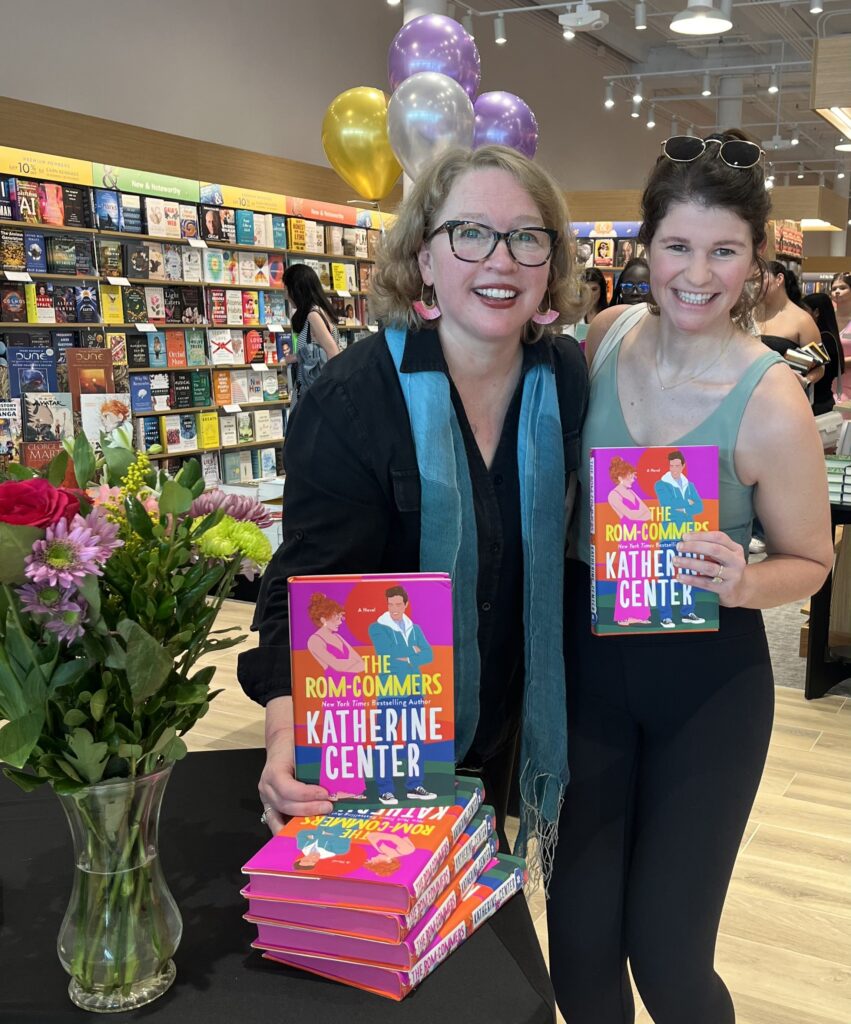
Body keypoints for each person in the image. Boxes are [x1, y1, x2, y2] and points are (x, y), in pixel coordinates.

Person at [237, 145, 589, 881]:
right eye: (469, 233)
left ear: (550, 264)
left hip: (507, 726)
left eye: (526, 237)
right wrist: (282, 734)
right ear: (423, 258)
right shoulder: (352, 401)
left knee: (479, 950)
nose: (499, 261)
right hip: (380, 739)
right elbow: (300, 585)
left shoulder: (563, 381)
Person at [548, 130, 834, 1024]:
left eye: (722, 250)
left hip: (707, 687)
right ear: (646, 247)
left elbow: (812, 563)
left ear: (754, 261)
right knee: (581, 959)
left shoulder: (772, 400)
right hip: (587, 670)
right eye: (677, 246)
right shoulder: (601, 339)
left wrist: (744, 580)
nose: (696, 274)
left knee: (668, 960)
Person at [368, 585, 436, 805]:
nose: (394, 608)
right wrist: (413, 654)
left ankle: (415, 785)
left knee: (414, 740)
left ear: (406, 604)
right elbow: (386, 653)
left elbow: (429, 654)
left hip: (415, 689)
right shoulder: (377, 628)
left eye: (398, 604)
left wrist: (409, 658)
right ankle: (385, 790)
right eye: (390, 604)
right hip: (389, 691)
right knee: (385, 741)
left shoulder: (415, 628)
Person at [283, 262, 341, 418]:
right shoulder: (322, 311)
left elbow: (333, 352)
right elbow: (318, 348)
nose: (286, 295)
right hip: (316, 393)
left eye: (287, 289)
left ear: (297, 289)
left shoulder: (313, 315)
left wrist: (296, 357)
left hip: (312, 394)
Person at [606, 455, 651, 627]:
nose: (633, 479)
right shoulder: (613, 495)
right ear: (620, 477)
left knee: (640, 575)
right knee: (628, 576)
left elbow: (649, 513)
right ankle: (625, 616)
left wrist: (637, 516)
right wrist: (639, 515)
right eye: (630, 476)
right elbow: (632, 515)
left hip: (642, 536)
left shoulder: (631, 492)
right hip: (627, 536)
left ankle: (639, 615)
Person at [802, 291, 846, 415]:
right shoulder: (830, 337)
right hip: (825, 402)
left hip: (817, 406)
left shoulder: (822, 340)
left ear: (816, 312)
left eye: (804, 311)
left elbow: (799, 366)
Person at [830, 271, 851, 399]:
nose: (837, 291)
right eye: (834, 289)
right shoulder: (825, 318)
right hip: (826, 387)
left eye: (842, 288)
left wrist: (837, 363)